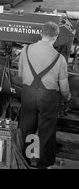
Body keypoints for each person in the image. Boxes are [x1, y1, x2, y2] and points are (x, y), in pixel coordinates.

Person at [18, 21, 71, 169]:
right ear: (56, 37)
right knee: (46, 131)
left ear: (41, 34)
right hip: (48, 97)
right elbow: (64, 87)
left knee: (27, 128)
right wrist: (67, 97)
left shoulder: (26, 50)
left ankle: (26, 161)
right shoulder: (59, 58)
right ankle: (43, 164)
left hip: (28, 94)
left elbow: (21, 74)